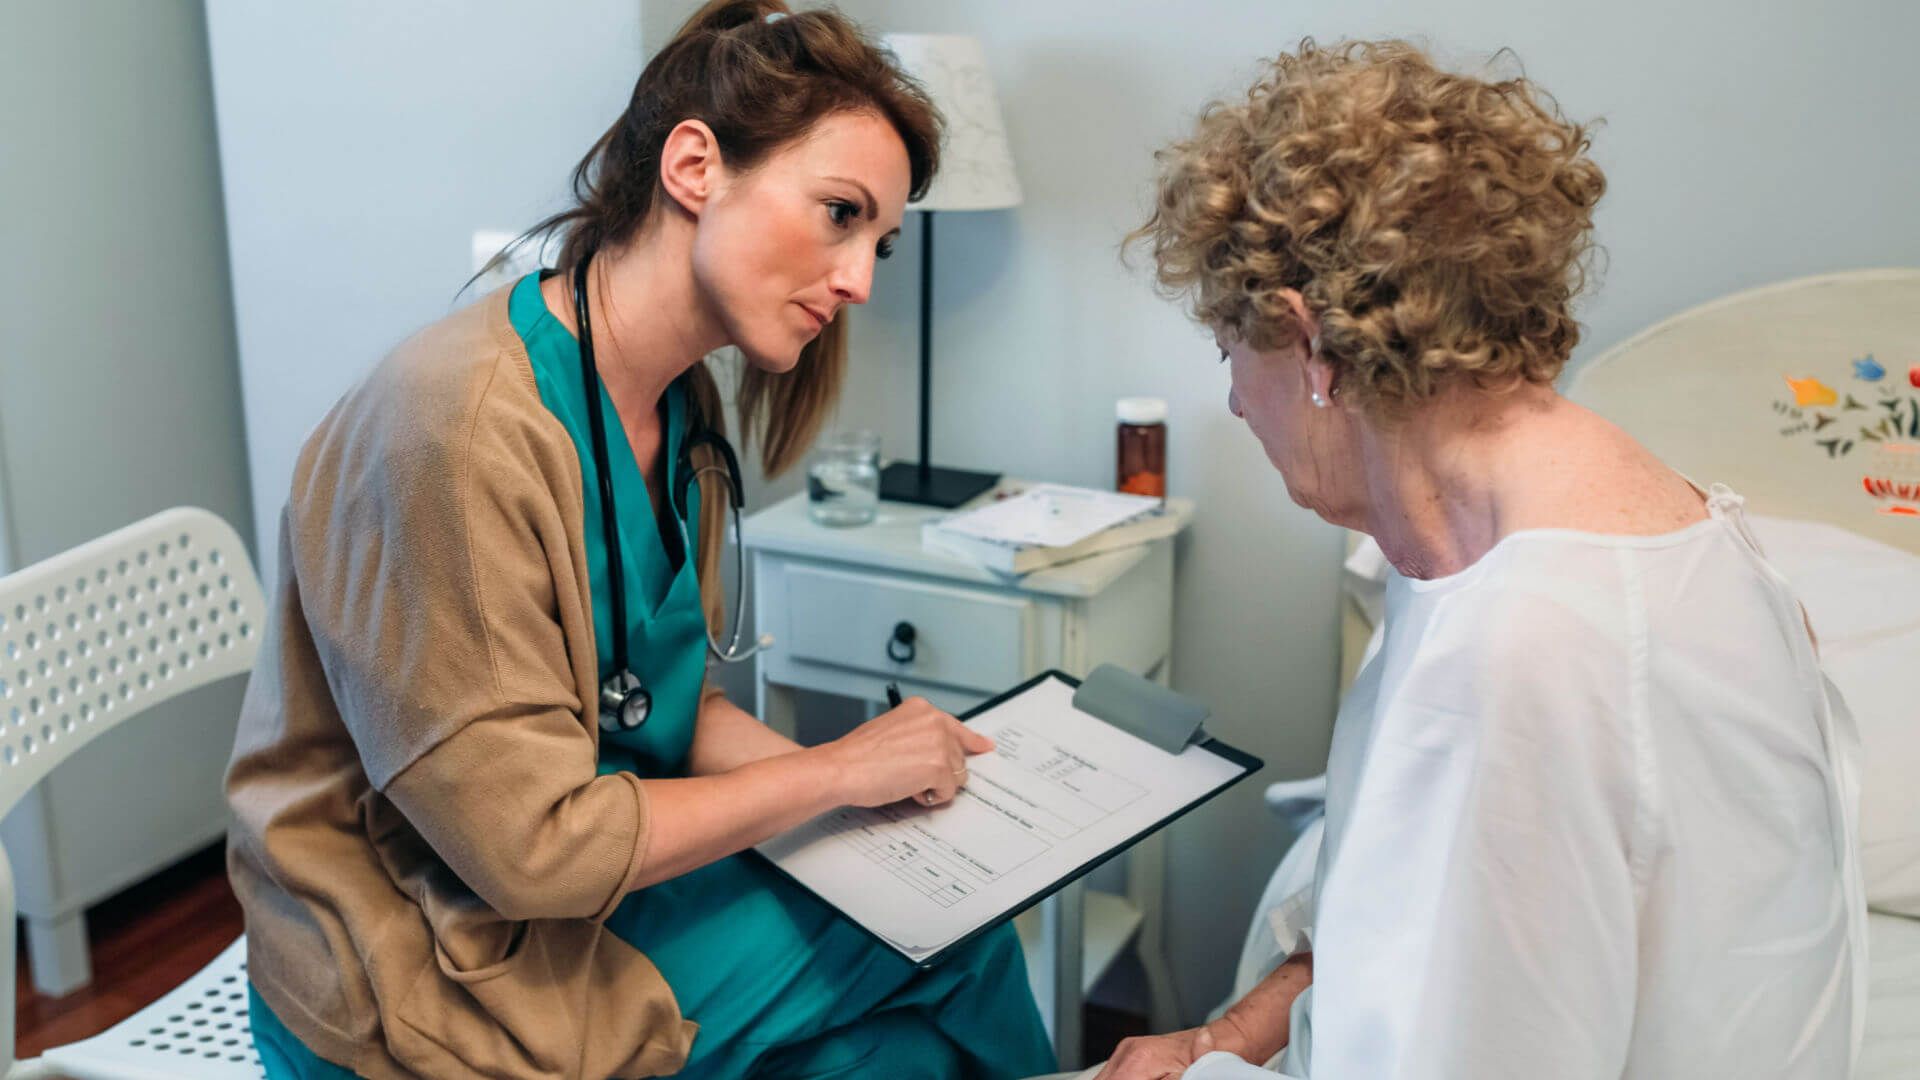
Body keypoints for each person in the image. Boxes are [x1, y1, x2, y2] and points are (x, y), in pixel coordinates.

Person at [224, 4, 1054, 1078]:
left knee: (909, 1041)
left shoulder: (678, 412)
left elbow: (664, 703)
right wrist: (833, 777)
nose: (859, 281)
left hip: (594, 897)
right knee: (959, 937)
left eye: (877, 241)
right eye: (839, 214)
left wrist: (876, 794)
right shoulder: (455, 428)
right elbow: (531, 850)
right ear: (696, 166)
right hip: (419, 952)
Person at [1091, 38, 1865, 1080]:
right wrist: (1230, 1039)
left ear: (1304, 339)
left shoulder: (1520, 653)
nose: (1234, 400)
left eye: (1232, 350)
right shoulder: (1634, 527)